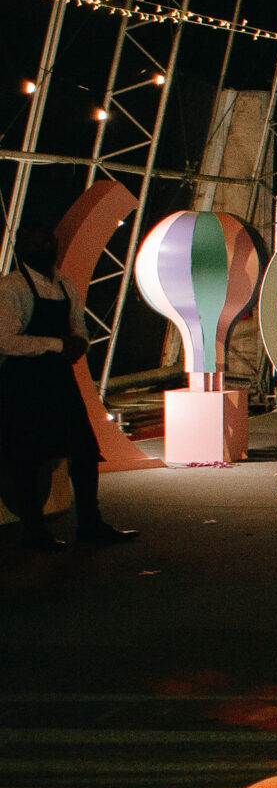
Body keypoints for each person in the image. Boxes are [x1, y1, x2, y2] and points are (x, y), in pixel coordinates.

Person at [0, 226, 138, 549]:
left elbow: (79, 327)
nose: (42, 246)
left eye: (46, 241)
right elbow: (5, 341)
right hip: (22, 383)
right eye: (35, 242)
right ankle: (35, 533)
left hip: (59, 380)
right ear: (21, 249)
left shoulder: (64, 285)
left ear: (56, 244)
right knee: (27, 458)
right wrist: (57, 344)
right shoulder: (11, 288)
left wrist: (81, 343)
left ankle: (90, 523)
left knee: (85, 450)